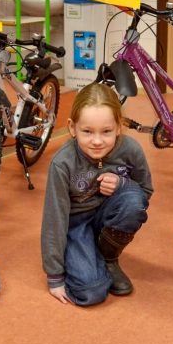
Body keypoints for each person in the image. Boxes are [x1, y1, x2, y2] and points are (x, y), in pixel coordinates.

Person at [41, 83, 152, 306]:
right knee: (90, 292)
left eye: (106, 131)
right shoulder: (62, 163)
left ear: (119, 126)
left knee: (133, 200)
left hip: (108, 217)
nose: (98, 141)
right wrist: (54, 275)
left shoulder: (131, 150)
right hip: (76, 225)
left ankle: (108, 257)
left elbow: (144, 193)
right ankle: (91, 256)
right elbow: (55, 218)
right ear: (72, 128)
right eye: (87, 131)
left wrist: (121, 184)